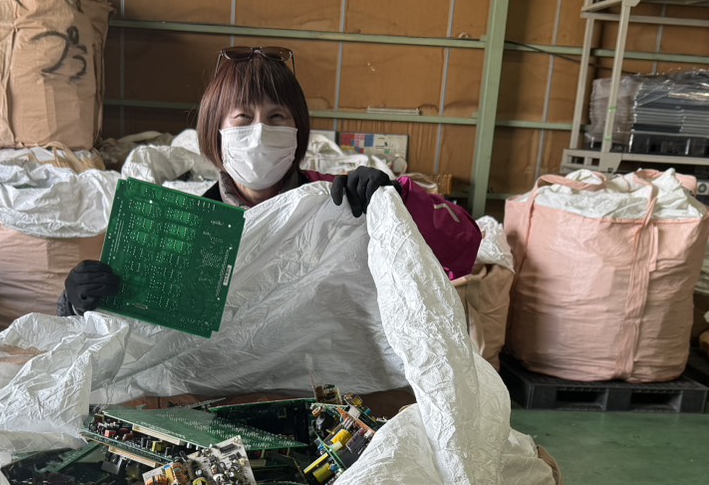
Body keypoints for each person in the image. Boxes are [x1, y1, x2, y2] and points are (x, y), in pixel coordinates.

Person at [60, 45, 482, 316]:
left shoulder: (341, 202)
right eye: (243, 118)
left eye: (277, 116)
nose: (261, 131)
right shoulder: (188, 225)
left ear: (298, 131)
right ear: (216, 133)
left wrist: (398, 201)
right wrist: (76, 299)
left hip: (327, 392)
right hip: (219, 395)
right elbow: (140, 325)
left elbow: (462, 248)